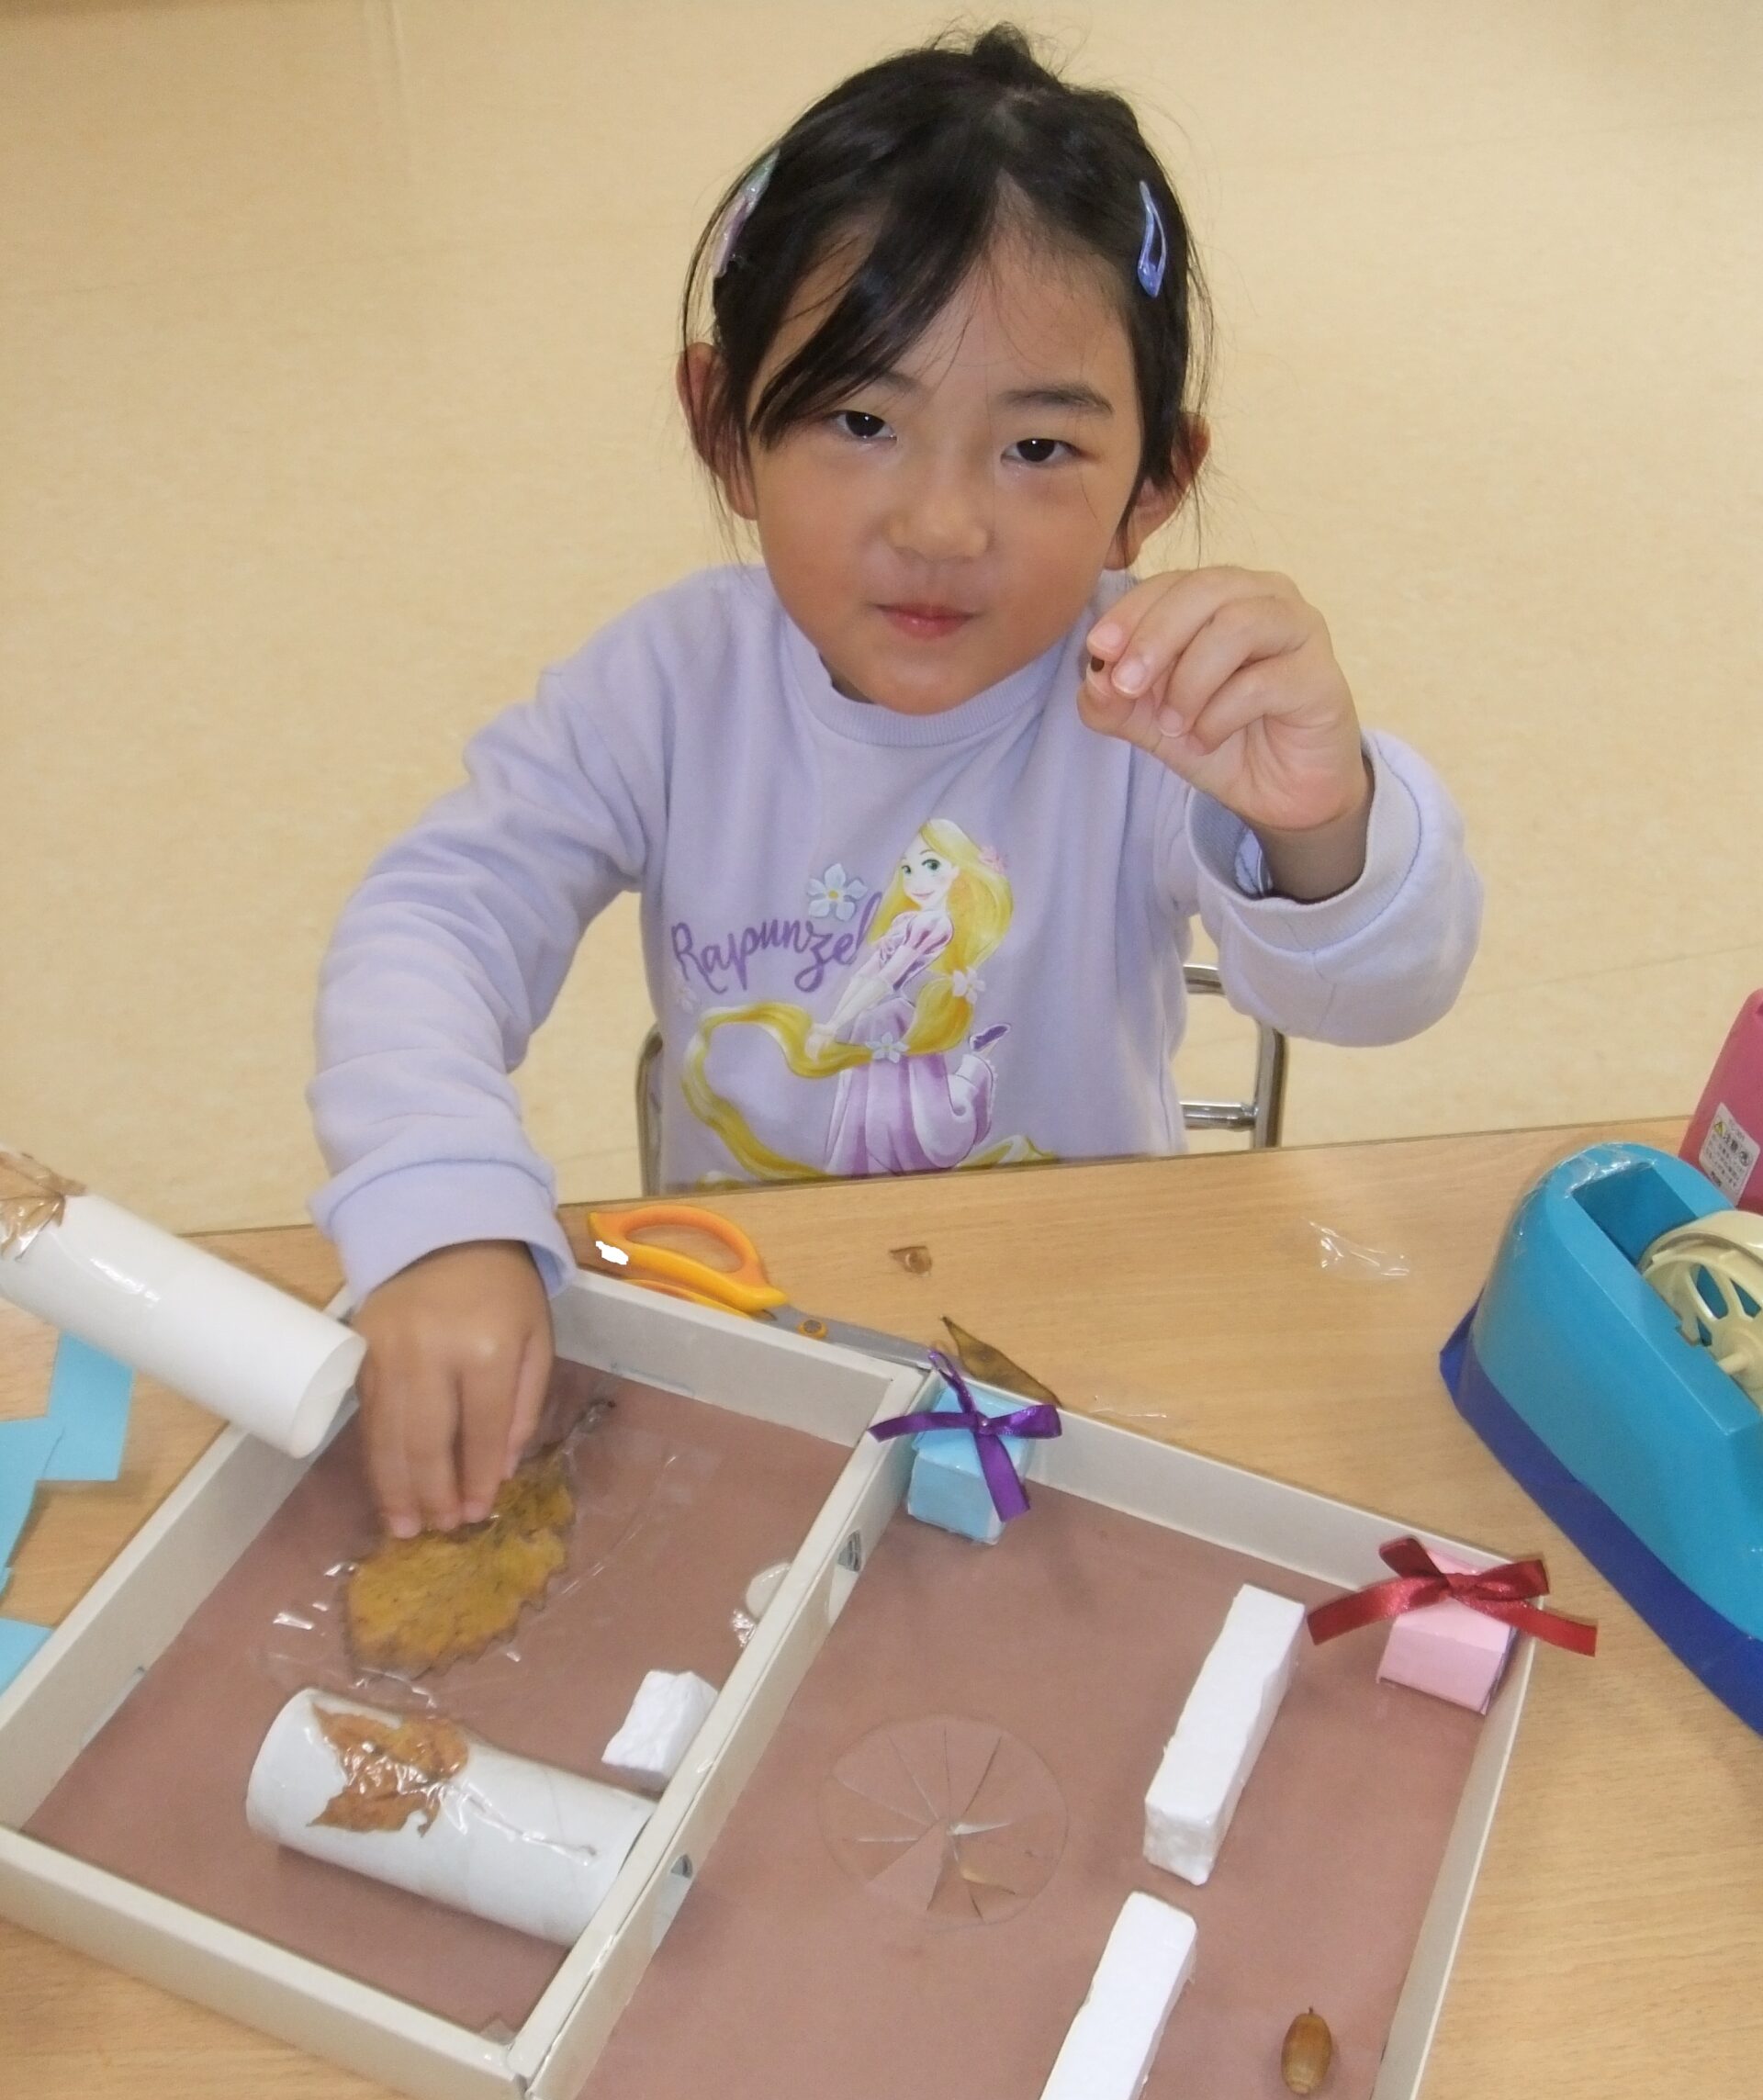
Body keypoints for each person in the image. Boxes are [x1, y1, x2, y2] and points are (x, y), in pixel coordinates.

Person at [311, 24, 1481, 1537]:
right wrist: (440, 1207)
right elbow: (436, 917)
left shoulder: (1151, 705)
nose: (940, 527)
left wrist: (1323, 823)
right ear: (723, 428)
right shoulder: (669, 682)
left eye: (1038, 447)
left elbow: (1380, 995)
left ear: (1155, 483)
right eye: (862, 422)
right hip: (753, 1336)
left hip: (1078, 1349)